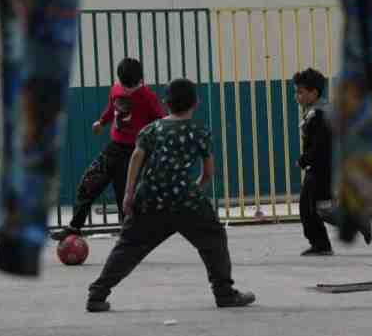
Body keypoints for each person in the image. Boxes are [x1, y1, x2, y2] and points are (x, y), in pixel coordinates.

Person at [86, 78, 255, 313]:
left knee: (128, 247)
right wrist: (195, 187)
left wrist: (129, 193)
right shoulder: (199, 132)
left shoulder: (151, 129)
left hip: (150, 198)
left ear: (165, 103)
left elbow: (136, 158)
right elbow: (208, 172)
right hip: (186, 201)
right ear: (195, 103)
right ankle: (224, 293)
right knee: (213, 239)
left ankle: (97, 294)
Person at [53, 57, 167, 241]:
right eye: (125, 85)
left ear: (140, 80)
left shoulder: (148, 96)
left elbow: (161, 120)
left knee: (125, 195)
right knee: (88, 183)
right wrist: (102, 122)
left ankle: (128, 235)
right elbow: (111, 109)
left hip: (135, 152)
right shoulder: (115, 89)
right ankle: (74, 227)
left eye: (133, 85)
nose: (128, 89)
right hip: (114, 148)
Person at [293, 68, 371, 256]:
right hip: (321, 166)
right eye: (296, 92)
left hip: (323, 167)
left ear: (314, 92)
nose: (297, 96)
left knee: (313, 208)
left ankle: (349, 225)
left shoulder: (320, 113)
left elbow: (321, 144)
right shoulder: (317, 111)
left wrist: (304, 160)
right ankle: (322, 243)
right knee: (317, 207)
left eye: (300, 92)